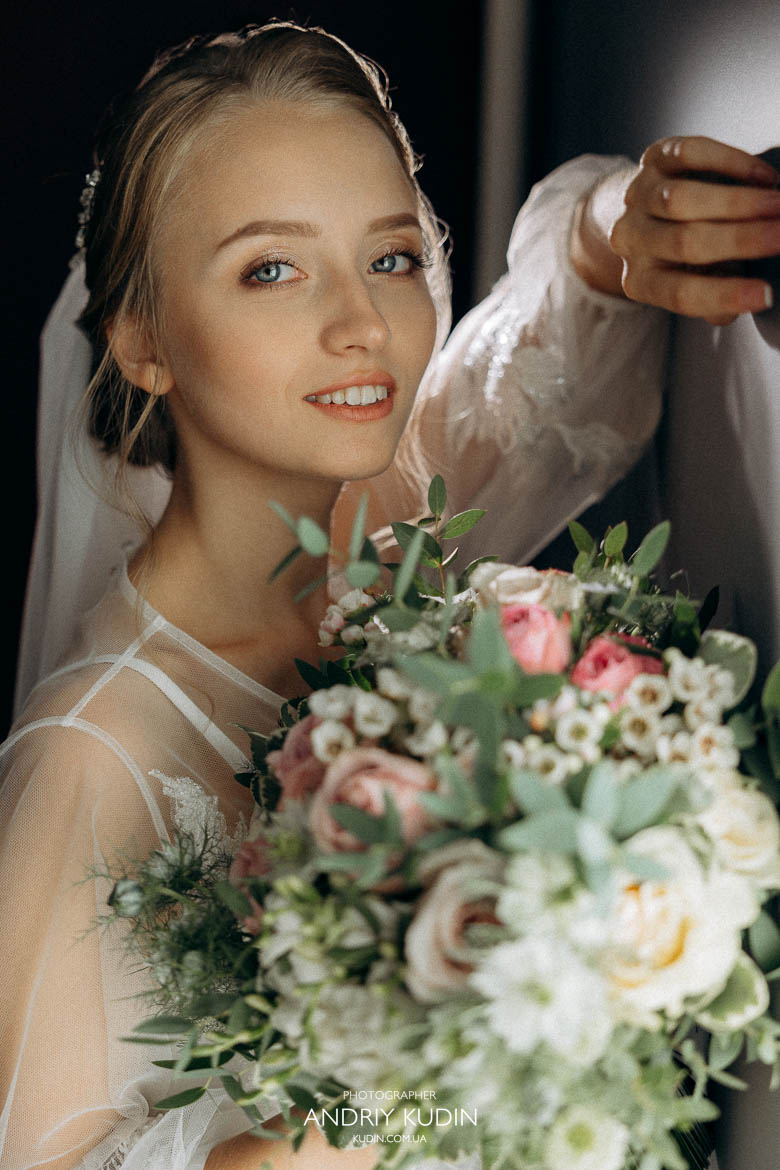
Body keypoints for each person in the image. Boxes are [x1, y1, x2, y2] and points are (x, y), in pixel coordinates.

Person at [2, 20, 778, 1170]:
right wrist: (420, 1057)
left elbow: (548, 343)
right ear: (141, 339)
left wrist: (623, 225)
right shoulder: (96, 753)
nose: (362, 325)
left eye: (393, 257)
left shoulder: (398, 526)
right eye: (271, 268)